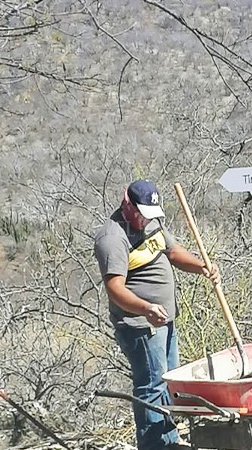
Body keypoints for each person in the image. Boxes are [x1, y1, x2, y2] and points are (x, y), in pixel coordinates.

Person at [94, 179, 220, 450]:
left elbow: (173, 252)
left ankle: (169, 440)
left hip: (165, 320)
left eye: (149, 215)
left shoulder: (151, 221)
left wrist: (201, 266)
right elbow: (115, 289)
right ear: (127, 204)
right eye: (140, 214)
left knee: (169, 382)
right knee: (151, 385)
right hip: (140, 324)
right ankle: (153, 445)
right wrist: (146, 308)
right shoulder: (112, 238)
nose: (144, 220)